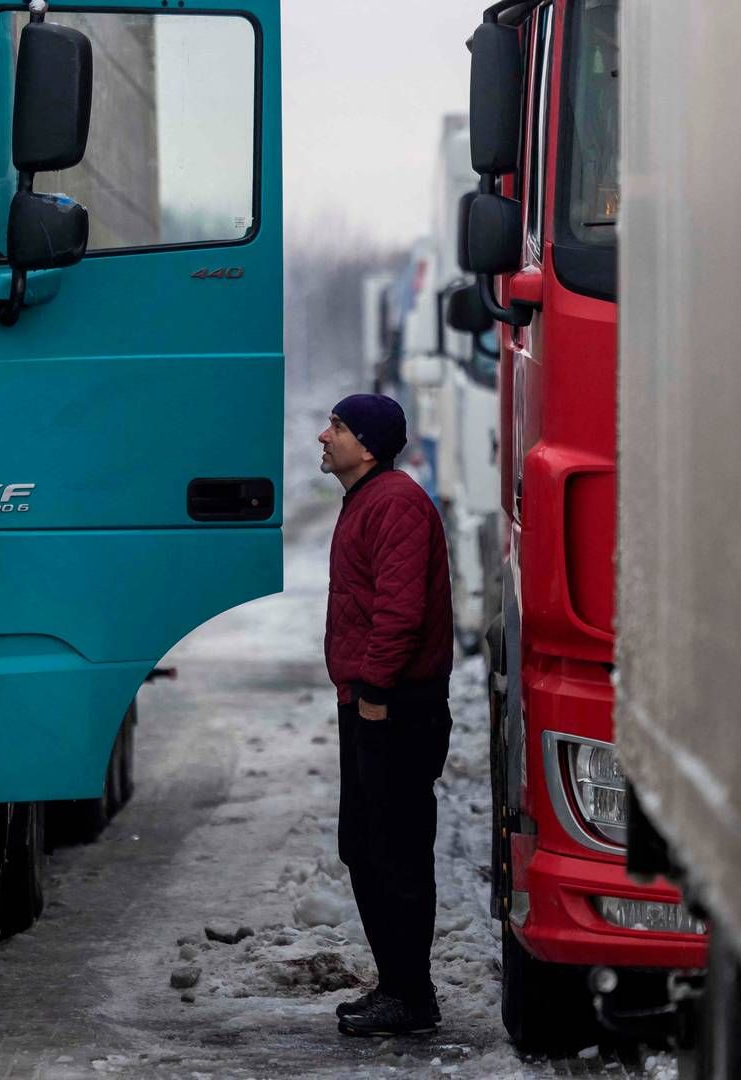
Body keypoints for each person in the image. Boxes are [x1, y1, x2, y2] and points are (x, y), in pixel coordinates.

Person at [318, 395, 455, 1037]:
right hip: (371, 702)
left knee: (394, 852)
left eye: (338, 427)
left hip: (395, 706)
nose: (324, 436)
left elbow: (400, 610)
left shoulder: (395, 501)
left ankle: (410, 996)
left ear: (367, 445)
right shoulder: (368, 499)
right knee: (366, 847)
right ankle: (398, 986)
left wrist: (373, 689)